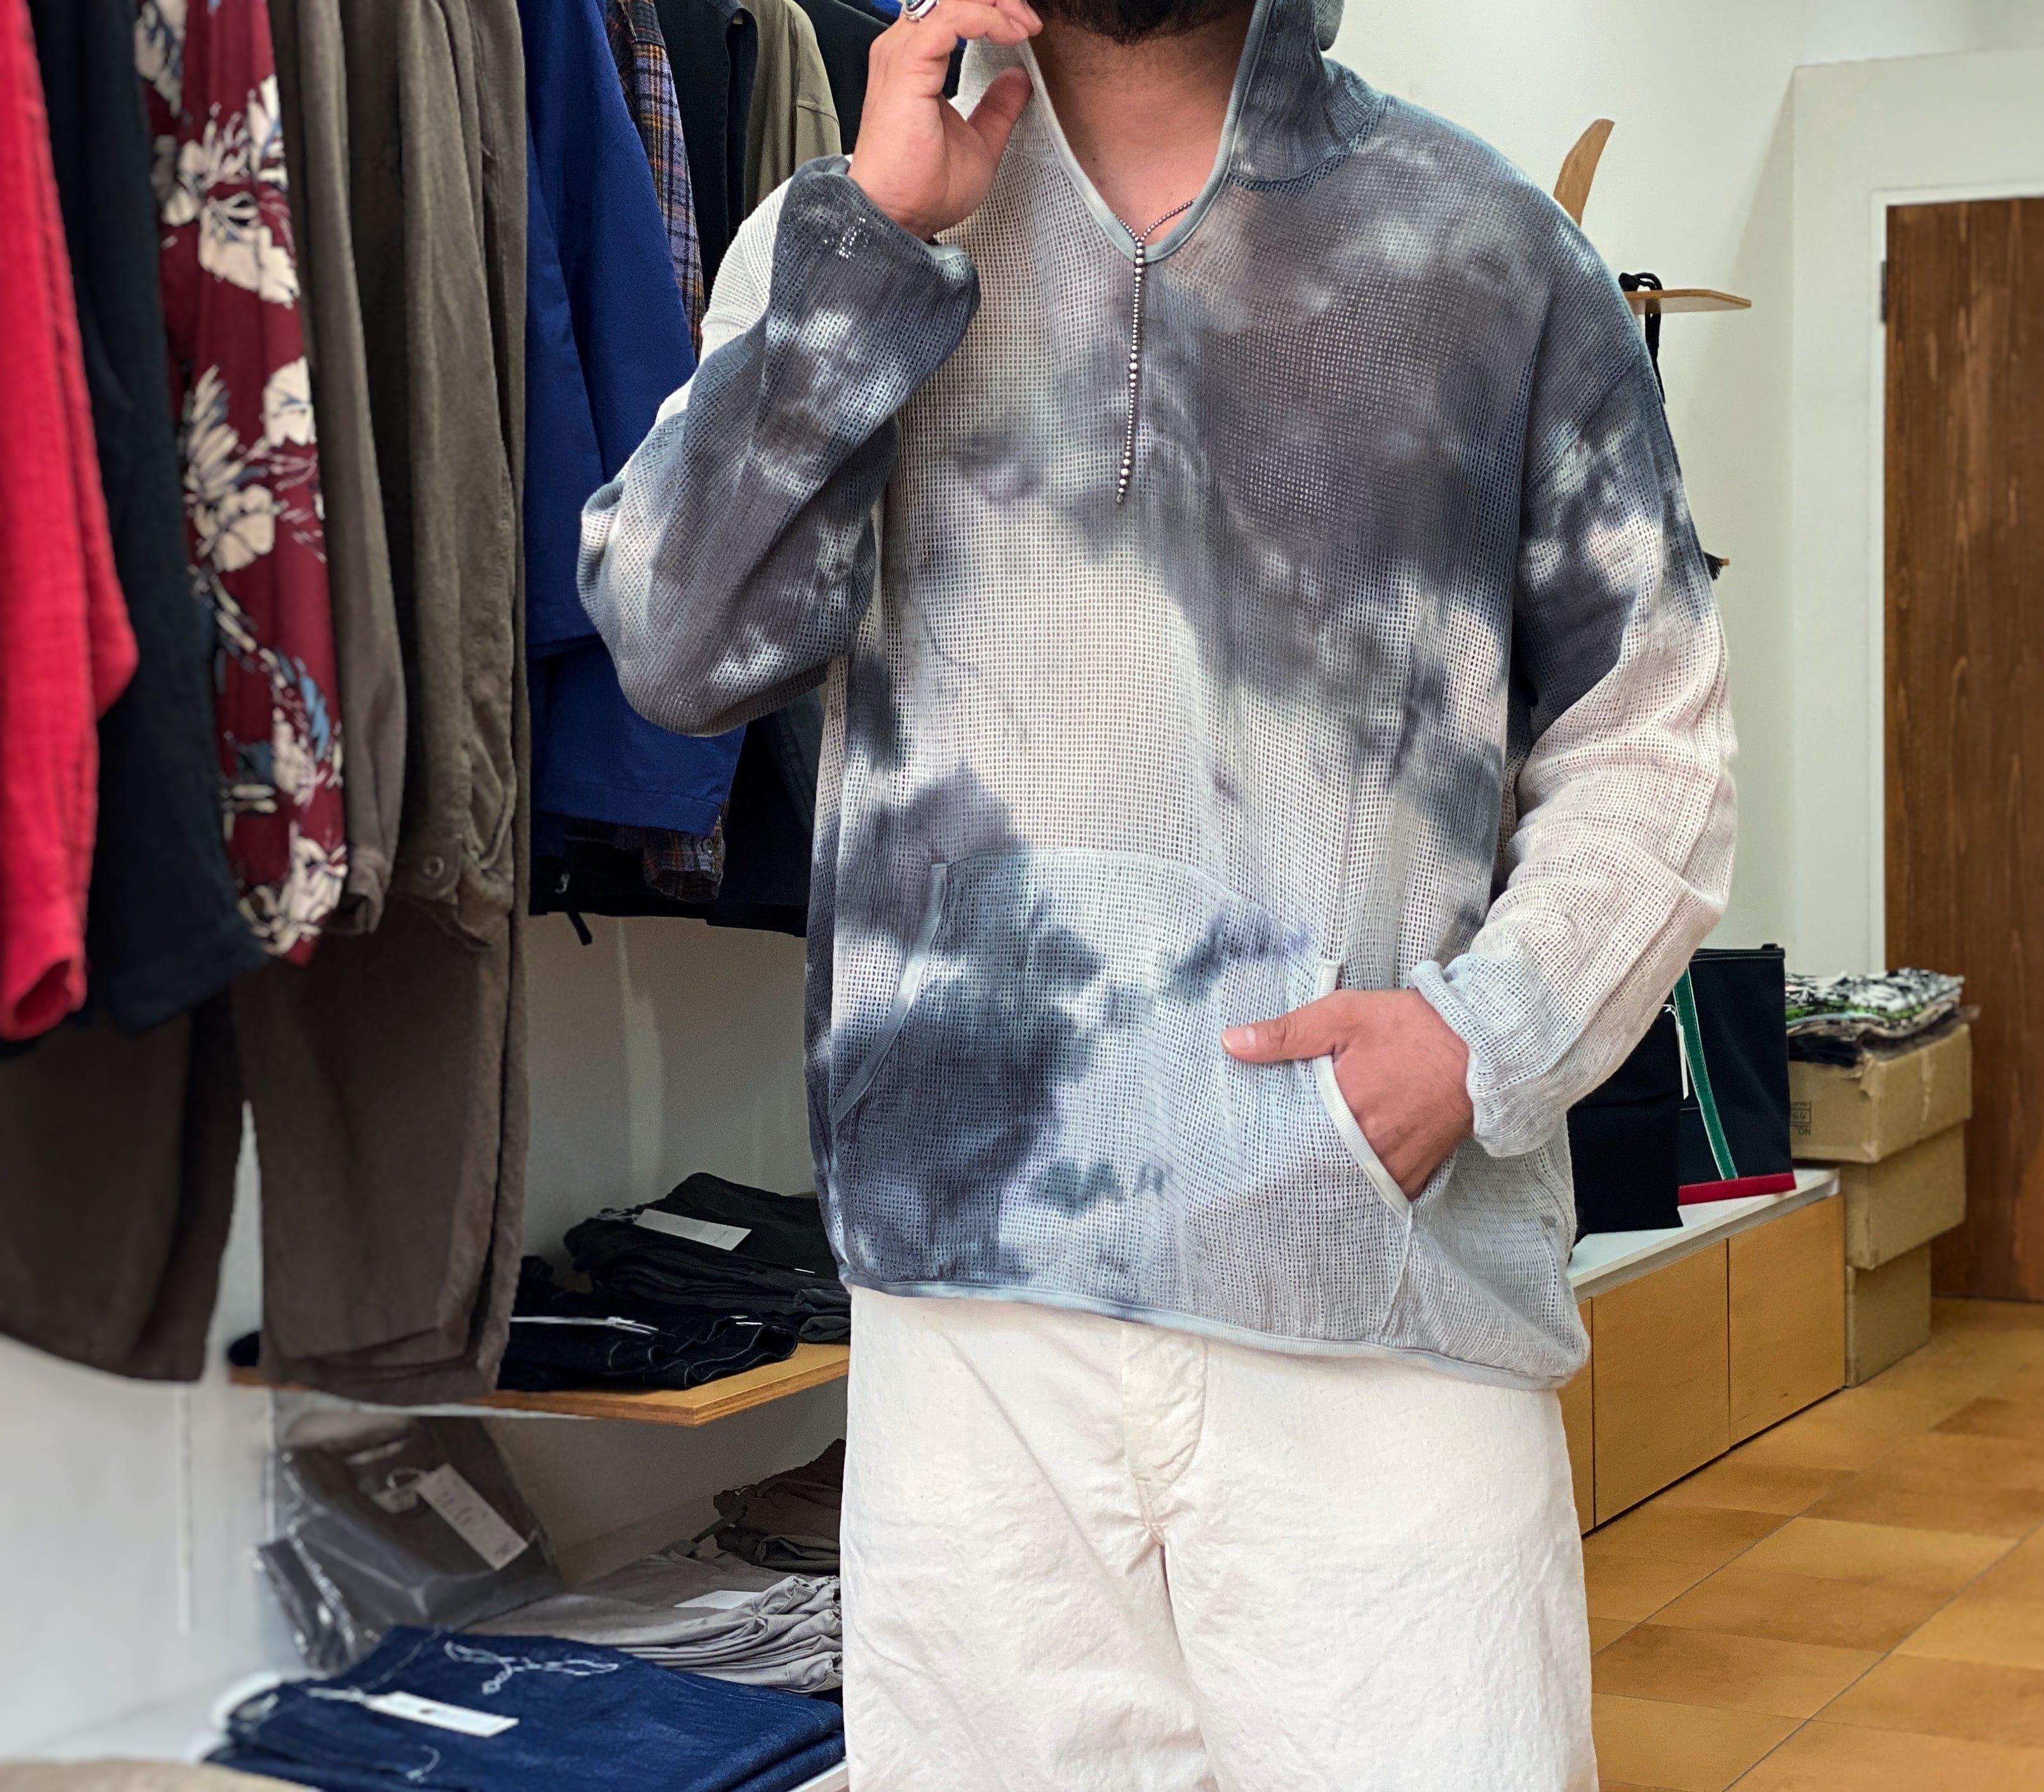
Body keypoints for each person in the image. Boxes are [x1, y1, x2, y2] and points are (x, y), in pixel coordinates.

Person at [579, 0, 1735, 1783]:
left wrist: (1481, 1042)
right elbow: (677, 648)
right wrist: (874, 251)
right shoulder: (847, 234)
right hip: (972, 1308)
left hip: (1371, 1282)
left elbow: (1653, 735)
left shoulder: (1491, 254)